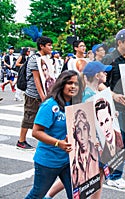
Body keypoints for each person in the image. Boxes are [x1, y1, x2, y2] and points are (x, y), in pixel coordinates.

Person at [44, 61, 112, 199]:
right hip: (93, 140)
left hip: (97, 139)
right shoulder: (88, 94)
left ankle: (48, 195)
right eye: (103, 71)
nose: (106, 73)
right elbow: (85, 119)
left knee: (91, 174)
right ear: (97, 75)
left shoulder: (95, 92)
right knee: (96, 173)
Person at [25, 70, 83, 199]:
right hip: (48, 161)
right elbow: (36, 132)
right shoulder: (50, 105)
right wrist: (58, 143)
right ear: (61, 84)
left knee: (77, 194)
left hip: (70, 160)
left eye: (76, 84)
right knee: (37, 194)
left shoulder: (76, 103)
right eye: (69, 83)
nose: (73, 86)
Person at [101, 28, 125, 189]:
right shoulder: (109, 58)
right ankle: (115, 176)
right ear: (120, 42)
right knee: (119, 141)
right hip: (112, 106)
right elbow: (97, 81)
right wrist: (113, 95)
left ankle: (107, 170)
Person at [16, 36, 53, 150]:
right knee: (29, 117)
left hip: (42, 94)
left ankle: (46, 140)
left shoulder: (45, 58)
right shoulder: (34, 59)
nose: (51, 47)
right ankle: (21, 141)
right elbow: (36, 79)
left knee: (43, 117)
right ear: (41, 46)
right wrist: (43, 97)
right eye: (49, 45)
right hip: (32, 94)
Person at [71, 109, 99, 188]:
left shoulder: (96, 154)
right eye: (78, 131)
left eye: (84, 129)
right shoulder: (75, 163)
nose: (82, 136)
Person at [95, 98, 124, 163]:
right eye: (101, 124)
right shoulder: (101, 148)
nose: (105, 129)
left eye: (106, 120)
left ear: (111, 118)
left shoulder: (119, 137)